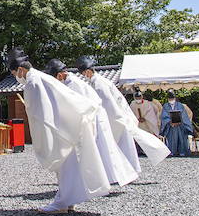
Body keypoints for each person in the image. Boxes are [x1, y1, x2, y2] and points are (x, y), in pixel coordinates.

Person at [9, 49, 110, 214]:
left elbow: (40, 113)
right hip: (68, 123)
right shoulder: (40, 78)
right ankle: (68, 200)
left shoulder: (34, 82)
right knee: (69, 166)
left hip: (60, 127)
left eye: (15, 73)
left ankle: (62, 203)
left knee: (64, 165)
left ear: (21, 70)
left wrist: (45, 136)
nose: (16, 76)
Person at [44, 59, 138, 187]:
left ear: (60, 75)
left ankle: (102, 180)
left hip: (95, 118)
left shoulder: (76, 84)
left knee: (101, 150)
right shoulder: (73, 82)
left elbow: (82, 104)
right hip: (94, 116)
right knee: (104, 150)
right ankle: (104, 179)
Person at [76, 56, 170, 172]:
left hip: (115, 119)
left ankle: (125, 172)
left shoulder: (99, 84)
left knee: (121, 148)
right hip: (118, 117)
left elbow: (108, 105)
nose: (85, 76)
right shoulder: (99, 82)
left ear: (88, 71)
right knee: (125, 147)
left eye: (84, 73)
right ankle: (126, 171)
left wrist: (111, 121)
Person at [160, 89, 193, 157]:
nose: (171, 99)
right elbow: (164, 116)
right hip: (170, 126)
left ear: (175, 98)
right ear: (168, 98)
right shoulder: (165, 106)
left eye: (172, 98)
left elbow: (184, 115)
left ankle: (182, 151)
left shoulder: (180, 105)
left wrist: (180, 121)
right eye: (170, 98)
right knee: (171, 139)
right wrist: (170, 122)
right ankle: (171, 151)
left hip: (181, 125)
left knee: (182, 138)